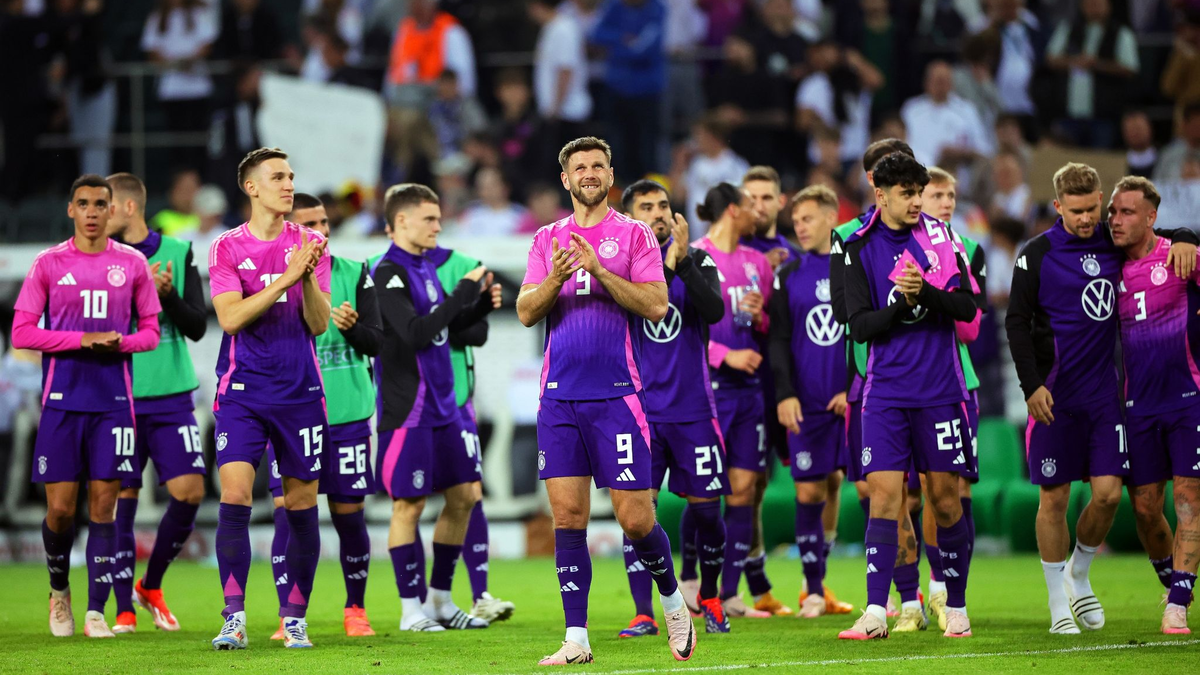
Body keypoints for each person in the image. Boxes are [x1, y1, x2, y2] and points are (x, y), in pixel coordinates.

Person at [517, 137, 692, 665]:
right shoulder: (546, 239)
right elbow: (526, 311)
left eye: (598, 165)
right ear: (566, 179)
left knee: (635, 519)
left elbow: (656, 305)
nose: (589, 173)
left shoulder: (634, 234)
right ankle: (577, 638)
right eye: (580, 167)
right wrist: (557, 277)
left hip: (617, 397)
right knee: (568, 517)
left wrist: (599, 270)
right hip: (559, 398)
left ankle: (672, 601)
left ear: (610, 175)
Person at [1005, 162, 1198, 634]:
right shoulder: (1037, 254)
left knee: (1110, 495)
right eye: (1078, 212)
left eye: (1095, 209)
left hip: (1104, 396)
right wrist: (1031, 386)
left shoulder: (1111, 244)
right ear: (1058, 207)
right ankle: (1057, 605)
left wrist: (1187, 235)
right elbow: (1015, 322)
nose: (1090, 219)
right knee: (1054, 500)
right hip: (1053, 395)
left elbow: (1153, 232)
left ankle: (1079, 573)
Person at [13, 174, 162, 638]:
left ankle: (97, 611)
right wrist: (82, 340)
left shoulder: (133, 263)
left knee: (104, 506)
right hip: (62, 403)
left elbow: (151, 333)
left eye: (101, 204)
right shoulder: (48, 263)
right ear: (71, 210)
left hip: (113, 404)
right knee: (60, 510)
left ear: (113, 210)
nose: (93, 212)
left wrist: (118, 343)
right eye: (84, 204)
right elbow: (22, 333)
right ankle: (60, 592)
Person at [837, 152, 977, 640]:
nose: (917, 202)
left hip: (940, 390)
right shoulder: (858, 245)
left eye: (920, 192)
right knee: (885, 498)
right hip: (885, 393)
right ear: (881, 195)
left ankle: (955, 605)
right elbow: (858, 325)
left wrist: (926, 294)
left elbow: (967, 307)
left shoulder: (943, 238)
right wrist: (901, 303)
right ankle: (877, 611)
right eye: (907, 193)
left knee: (945, 500)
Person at [207, 148, 332, 650]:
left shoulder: (311, 243)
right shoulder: (226, 247)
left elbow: (318, 324)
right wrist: (285, 278)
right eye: (277, 177)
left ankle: (294, 618)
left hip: (300, 394)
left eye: (291, 176)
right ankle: (233, 617)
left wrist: (307, 276)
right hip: (243, 393)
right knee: (236, 495)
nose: (288, 184)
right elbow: (231, 318)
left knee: (300, 505)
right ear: (251, 187)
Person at [373, 183, 500, 633]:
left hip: (447, 407)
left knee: (464, 497)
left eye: (438, 218)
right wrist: (462, 294)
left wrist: (477, 306)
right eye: (429, 219)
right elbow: (414, 333)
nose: (437, 226)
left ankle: (442, 601)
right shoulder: (387, 273)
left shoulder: (426, 266)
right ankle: (411, 611)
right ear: (401, 221)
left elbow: (446, 328)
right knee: (408, 505)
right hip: (409, 410)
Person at [263, 193, 382, 639]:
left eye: (325, 222)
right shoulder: (272, 277)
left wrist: (353, 329)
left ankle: (356, 608)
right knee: (287, 515)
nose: (321, 232)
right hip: (291, 416)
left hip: (347, 415)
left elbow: (377, 343)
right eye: (310, 223)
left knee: (349, 515)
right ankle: (288, 613)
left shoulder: (354, 272)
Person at [620, 179, 729, 636]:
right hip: (639, 412)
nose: (658, 212)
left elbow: (715, 311)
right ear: (629, 217)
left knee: (707, 512)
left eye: (663, 205)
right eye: (646, 206)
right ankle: (645, 612)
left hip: (693, 409)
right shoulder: (621, 266)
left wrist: (681, 262)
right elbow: (649, 306)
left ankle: (710, 595)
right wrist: (664, 266)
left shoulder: (698, 260)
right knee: (637, 514)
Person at [104, 172, 208, 635]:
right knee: (121, 499)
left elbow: (197, 326)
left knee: (190, 492)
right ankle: (123, 607)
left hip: (171, 396)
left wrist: (167, 295)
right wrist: (138, 290)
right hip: (119, 396)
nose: (97, 215)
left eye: (105, 206)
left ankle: (152, 585)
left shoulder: (179, 252)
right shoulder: (99, 260)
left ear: (129, 207)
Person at [828, 138, 920, 621]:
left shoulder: (933, 235)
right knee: (876, 491)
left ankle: (929, 592)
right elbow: (845, 313)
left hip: (929, 377)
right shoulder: (848, 237)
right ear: (872, 181)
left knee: (925, 493)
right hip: (869, 378)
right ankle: (902, 595)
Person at [1108, 176, 1199, 634]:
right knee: (1145, 509)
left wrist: (1188, 238)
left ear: (1151, 217)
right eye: (1112, 211)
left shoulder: (1180, 257)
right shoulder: (1108, 268)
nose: (1115, 220)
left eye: (1126, 212)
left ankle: (1178, 603)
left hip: (1187, 398)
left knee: (1187, 500)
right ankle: (1173, 582)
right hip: (1138, 404)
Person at [768, 184, 854, 619]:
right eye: (796, 220)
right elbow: (778, 339)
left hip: (852, 399)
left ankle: (899, 593)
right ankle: (814, 588)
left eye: (808, 219)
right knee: (808, 489)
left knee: (858, 487)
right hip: (806, 401)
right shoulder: (788, 274)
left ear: (831, 218)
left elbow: (865, 332)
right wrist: (785, 393)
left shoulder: (854, 265)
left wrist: (853, 387)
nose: (799, 227)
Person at [692, 183, 776, 619]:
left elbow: (768, 328)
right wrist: (724, 355)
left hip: (749, 391)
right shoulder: (693, 256)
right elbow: (678, 330)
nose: (756, 212)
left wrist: (761, 318)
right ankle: (692, 583)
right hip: (705, 390)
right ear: (731, 210)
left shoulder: (756, 262)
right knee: (704, 490)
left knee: (744, 489)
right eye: (748, 205)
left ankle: (729, 593)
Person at [915, 166, 988, 631]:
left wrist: (933, 293)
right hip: (910, 383)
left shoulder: (967, 249)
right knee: (923, 489)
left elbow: (971, 327)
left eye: (951, 195)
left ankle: (949, 588)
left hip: (959, 385)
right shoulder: (898, 245)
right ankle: (926, 588)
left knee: (957, 490)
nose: (946, 203)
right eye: (936, 195)